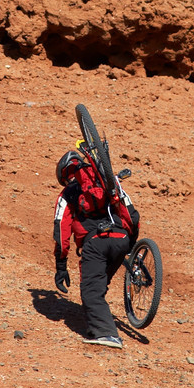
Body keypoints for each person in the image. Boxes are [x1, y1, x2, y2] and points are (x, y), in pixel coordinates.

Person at [53, 146, 140, 348]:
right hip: (121, 239)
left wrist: (61, 266)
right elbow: (132, 216)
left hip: (95, 243)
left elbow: (61, 232)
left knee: (91, 291)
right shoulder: (110, 184)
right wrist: (132, 245)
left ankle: (106, 334)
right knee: (98, 285)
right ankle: (98, 317)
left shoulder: (68, 194)